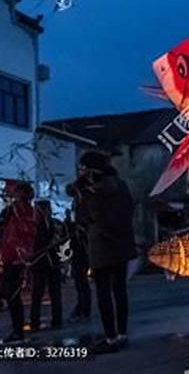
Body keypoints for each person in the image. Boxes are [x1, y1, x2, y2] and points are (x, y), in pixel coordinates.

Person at [71, 151, 136, 354]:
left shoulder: (89, 193)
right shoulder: (121, 186)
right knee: (120, 291)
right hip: (122, 244)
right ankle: (122, 334)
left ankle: (110, 338)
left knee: (103, 293)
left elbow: (83, 218)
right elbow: (129, 210)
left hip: (100, 246)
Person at [0, 181, 41, 344]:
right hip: (26, 258)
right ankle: (15, 327)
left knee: (12, 295)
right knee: (12, 292)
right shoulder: (34, 213)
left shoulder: (12, 211)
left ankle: (18, 332)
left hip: (12, 257)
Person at [30, 200, 64, 331]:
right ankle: (35, 321)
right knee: (37, 293)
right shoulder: (34, 225)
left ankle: (57, 320)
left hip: (53, 262)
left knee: (55, 293)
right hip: (40, 263)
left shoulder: (55, 224)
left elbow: (63, 242)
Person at [66, 178, 92, 323]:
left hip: (82, 244)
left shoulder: (83, 201)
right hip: (80, 243)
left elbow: (84, 224)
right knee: (80, 279)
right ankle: (82, 307)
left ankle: (83, 308)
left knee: (81, 279)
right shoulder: (79, 201)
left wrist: (76, 227)